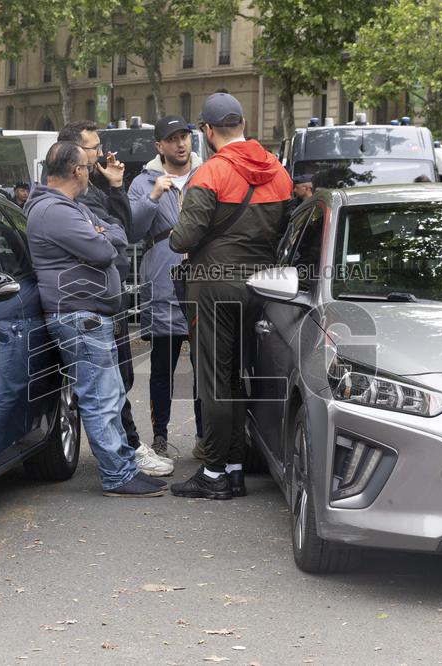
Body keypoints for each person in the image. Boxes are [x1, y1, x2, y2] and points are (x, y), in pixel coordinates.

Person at [168, 93, 292, 500]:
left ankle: (215, 472)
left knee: (215, 380)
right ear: (242, 124)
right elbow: (286, 232)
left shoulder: (211, 173)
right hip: (262, 285)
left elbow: (184, 238)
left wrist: (176, 225)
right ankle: (235, 469)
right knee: (239, 378)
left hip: (213, 285)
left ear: (207, 130)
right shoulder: (277, 169)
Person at [24, 142, 165, 497]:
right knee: (100, 397)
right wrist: (104, 236)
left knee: (111, 393)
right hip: (78, 316)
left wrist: (105, 233)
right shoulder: (55, 211)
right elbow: (105, 249)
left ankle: (124, 468)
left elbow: (116, 230)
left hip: (87, 314)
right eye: (89, 165)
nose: (92, 171)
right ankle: (117, 476)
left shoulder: (68, 207)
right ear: (78, 171)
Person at [57, 120, 174, 477]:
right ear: (76, 153)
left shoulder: (95, 188)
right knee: (106, 383)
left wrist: (116, 185)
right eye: (93, 146)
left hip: (110, 293)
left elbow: (122, 232)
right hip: (89, 299)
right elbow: (116, 238)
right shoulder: (73, 197)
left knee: (119, 376)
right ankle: (125, 452)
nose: (101, 152)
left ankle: (123, 450)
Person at [127, 115, 205, 459]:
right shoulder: (143, 182)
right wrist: (155, 195)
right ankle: (160, 437)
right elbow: (132, 231)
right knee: (162, 369)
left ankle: (206, 439)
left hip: (205, 283)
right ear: (159, 146)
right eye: (172, 138)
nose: (181, 143)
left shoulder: (209, 174)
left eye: (185, 136)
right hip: (164, 282)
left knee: (206, 370)